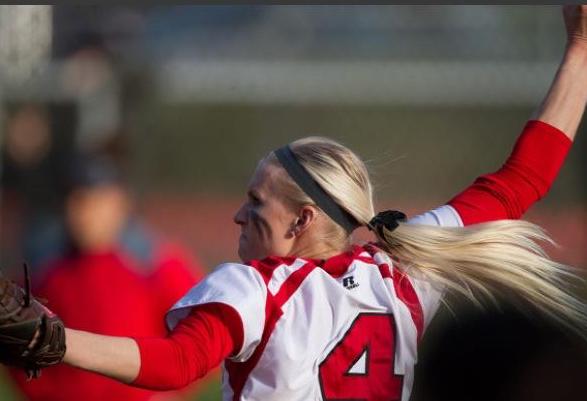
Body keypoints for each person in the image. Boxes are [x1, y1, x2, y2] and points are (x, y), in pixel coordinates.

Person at [3, 5, 587, 401]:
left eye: (256, 202)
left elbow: (176, 363)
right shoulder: (405, 270)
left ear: (304, 218)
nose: (238, 215)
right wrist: (582, 49)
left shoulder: (259, 288)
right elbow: (522, 179)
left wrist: (54, 341)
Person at [6, 155, 205, 401]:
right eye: (77, 202)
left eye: (96, 202)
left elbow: (201, 338)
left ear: (120, 204)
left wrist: (173, 391)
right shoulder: (46, 271)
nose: (85, 214)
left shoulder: (155, 264)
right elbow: (17, 346)